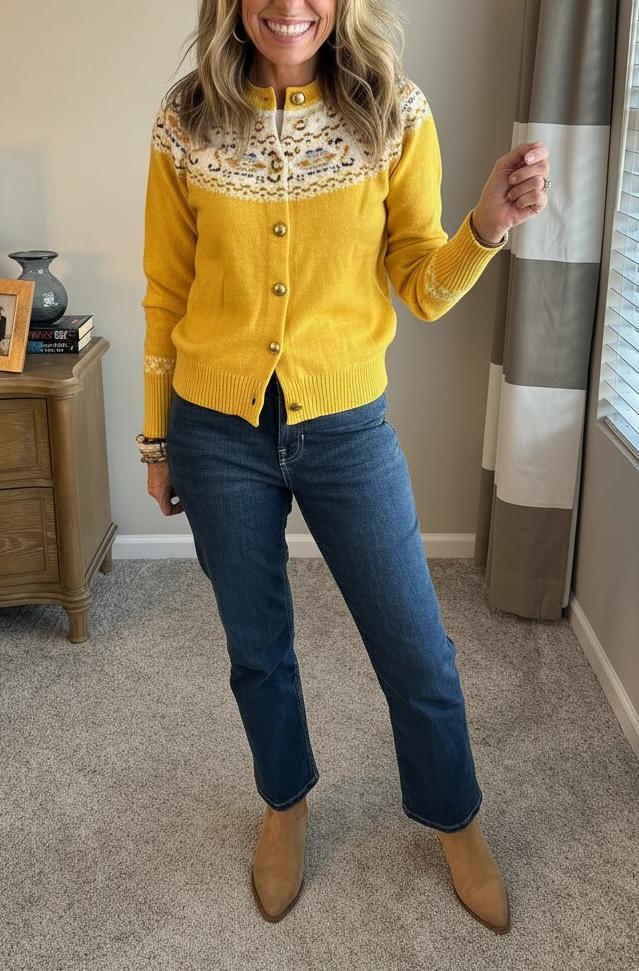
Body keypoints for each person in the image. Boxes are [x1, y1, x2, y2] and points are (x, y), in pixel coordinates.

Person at [137, 0, 550, 933]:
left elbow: (421, 286)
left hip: (344, 424)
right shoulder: (185, 119)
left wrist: (485, 224)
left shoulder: (393, 113)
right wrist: (157, 440)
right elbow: (166, 288)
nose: (289, 6)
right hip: (213, 427)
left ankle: (455, 817)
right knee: (256, 646)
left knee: (414, 645)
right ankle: (283, 804)